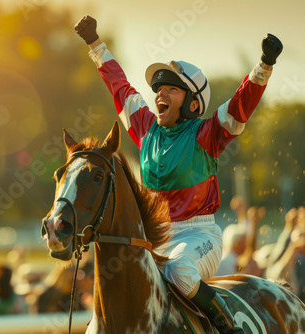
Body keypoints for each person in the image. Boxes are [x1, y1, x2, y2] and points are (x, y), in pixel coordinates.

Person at [75, 15, 283, 334]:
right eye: (159, 88)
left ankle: (228, 327)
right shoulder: (144, 128)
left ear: (192, 103)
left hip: (198, 236)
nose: (161, 93)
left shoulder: (206, 133)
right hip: (153, 237)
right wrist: (96, 44)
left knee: (181, 271)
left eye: (172, 89)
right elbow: (120, 86)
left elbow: (241, 106)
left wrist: (264, 66)